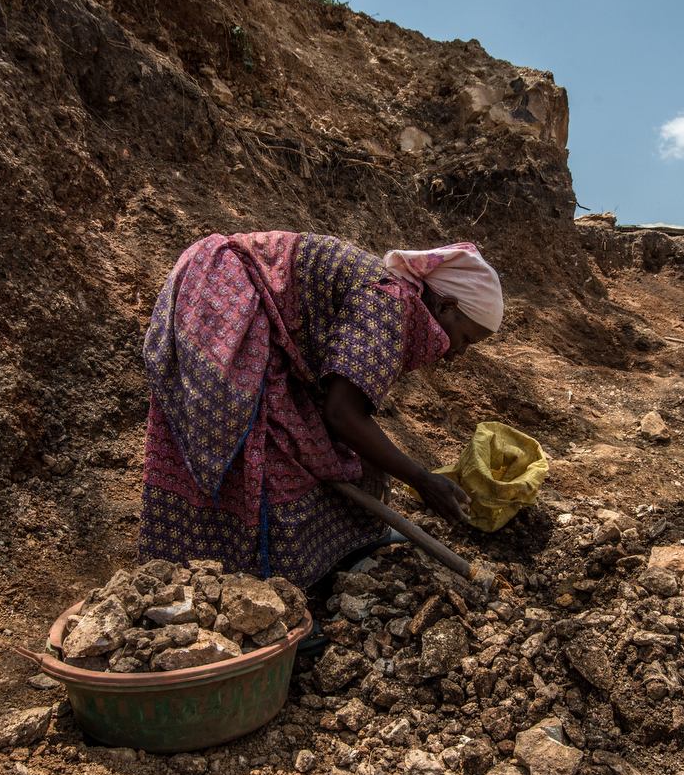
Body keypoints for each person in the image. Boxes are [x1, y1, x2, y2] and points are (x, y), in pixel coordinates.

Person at [138, 231, 502, 588]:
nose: (458, 354)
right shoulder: (390, 304)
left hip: (254, 311)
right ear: (446, 307)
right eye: (466, 339)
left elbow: (342, 397)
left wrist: (372, 460)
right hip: (226, 294)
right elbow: (342, 414)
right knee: (265, 449)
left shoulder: (396, 302)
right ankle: (241, 589)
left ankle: (299, 572)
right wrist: (423, 480)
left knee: (318, 445)